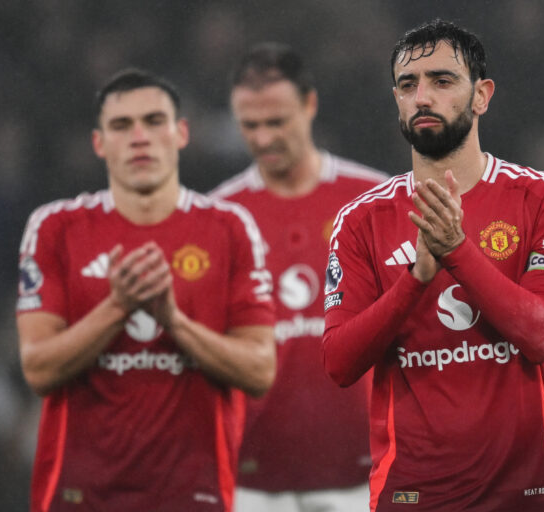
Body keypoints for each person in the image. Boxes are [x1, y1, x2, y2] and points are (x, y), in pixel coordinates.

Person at [322, 19, 544, 512]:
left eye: (442, 81)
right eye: (408, 85)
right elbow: (339, 362)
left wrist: (457, 251)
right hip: (412, 495)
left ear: (481, 95)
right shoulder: (361, 220)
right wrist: (417, 279)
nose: (422, 96)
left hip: (525, 494)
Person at [15, 68, 276, 511]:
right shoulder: (56, 228)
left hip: (194, 496)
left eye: (154, 121)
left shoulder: (229, 228)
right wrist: (118, 306)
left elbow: (259, 371)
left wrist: (172, 320)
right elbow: (38, 368)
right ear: (99, 143)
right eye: (121, 125)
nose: (139, 137)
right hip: (79, 496)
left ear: (181, 133)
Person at [209, 43, 386, 512]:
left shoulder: (376, 203)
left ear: (309, 105)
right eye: (251, 125)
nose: (264, 138)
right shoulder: (216, 222)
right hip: (249, 484)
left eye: (277, 121)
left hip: (364, 478)